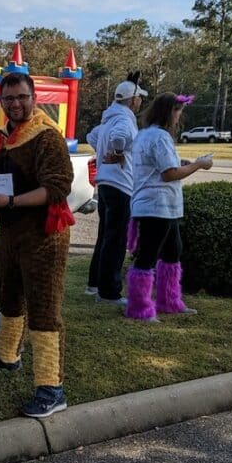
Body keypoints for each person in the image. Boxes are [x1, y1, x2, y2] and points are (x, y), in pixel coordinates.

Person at [0, 72, 74, 419]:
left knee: (44, 310)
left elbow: (57, 188)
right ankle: (6, 356)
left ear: (34, 98)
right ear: (2, 102)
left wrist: (12, 202)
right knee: (9, 298)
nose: (16, 104)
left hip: (45, 236)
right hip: (11, 233)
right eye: (9, 98)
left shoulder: (47, 138)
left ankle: (51, 388)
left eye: (22, 97)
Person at [125, 93, 213, 322]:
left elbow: (161, 166)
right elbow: (169, 174)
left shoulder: (145, 135)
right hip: (157, 205)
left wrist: (184, 163)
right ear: (168, 112)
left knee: (173, 252)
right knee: (148, 256)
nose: (179, 118)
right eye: (178, 112)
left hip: (158, 206)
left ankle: (169, 300)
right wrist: (198, 165)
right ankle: (140, 307)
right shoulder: (161, 137)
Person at [86, 78, 148, 306]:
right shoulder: (124, 119)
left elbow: (92, 136)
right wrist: (118, 151)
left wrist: (105, 151)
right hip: (121, 184)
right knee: (116, 239)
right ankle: (109, 292)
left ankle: (94, 284)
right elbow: (119, 138)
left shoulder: (110, 117)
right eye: (139, 97)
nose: (141, 101)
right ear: (132, 100)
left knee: (105, 236)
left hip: (105, 184)